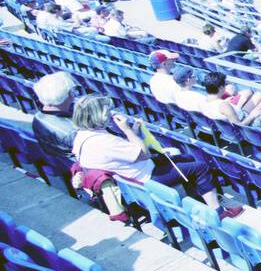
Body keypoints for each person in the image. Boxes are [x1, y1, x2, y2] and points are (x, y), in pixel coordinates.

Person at [70, 94, 239, 216]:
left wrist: (134, 133)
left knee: (187, 159)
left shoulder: (81, 136)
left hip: (131, 174)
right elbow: (143, 154)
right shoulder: (104, 141)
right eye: (107, 112)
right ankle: (218, 211)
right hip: (146, 178)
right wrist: (128, 130)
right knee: (200, 168)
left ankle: (201, 200)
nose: (110, 115)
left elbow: (124, 153)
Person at [31, 72, 77, 165]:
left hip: (61, 165)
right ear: (68, 96)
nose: (73, 96)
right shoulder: (72, 131)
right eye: (71, 92)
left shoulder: (37, 118)